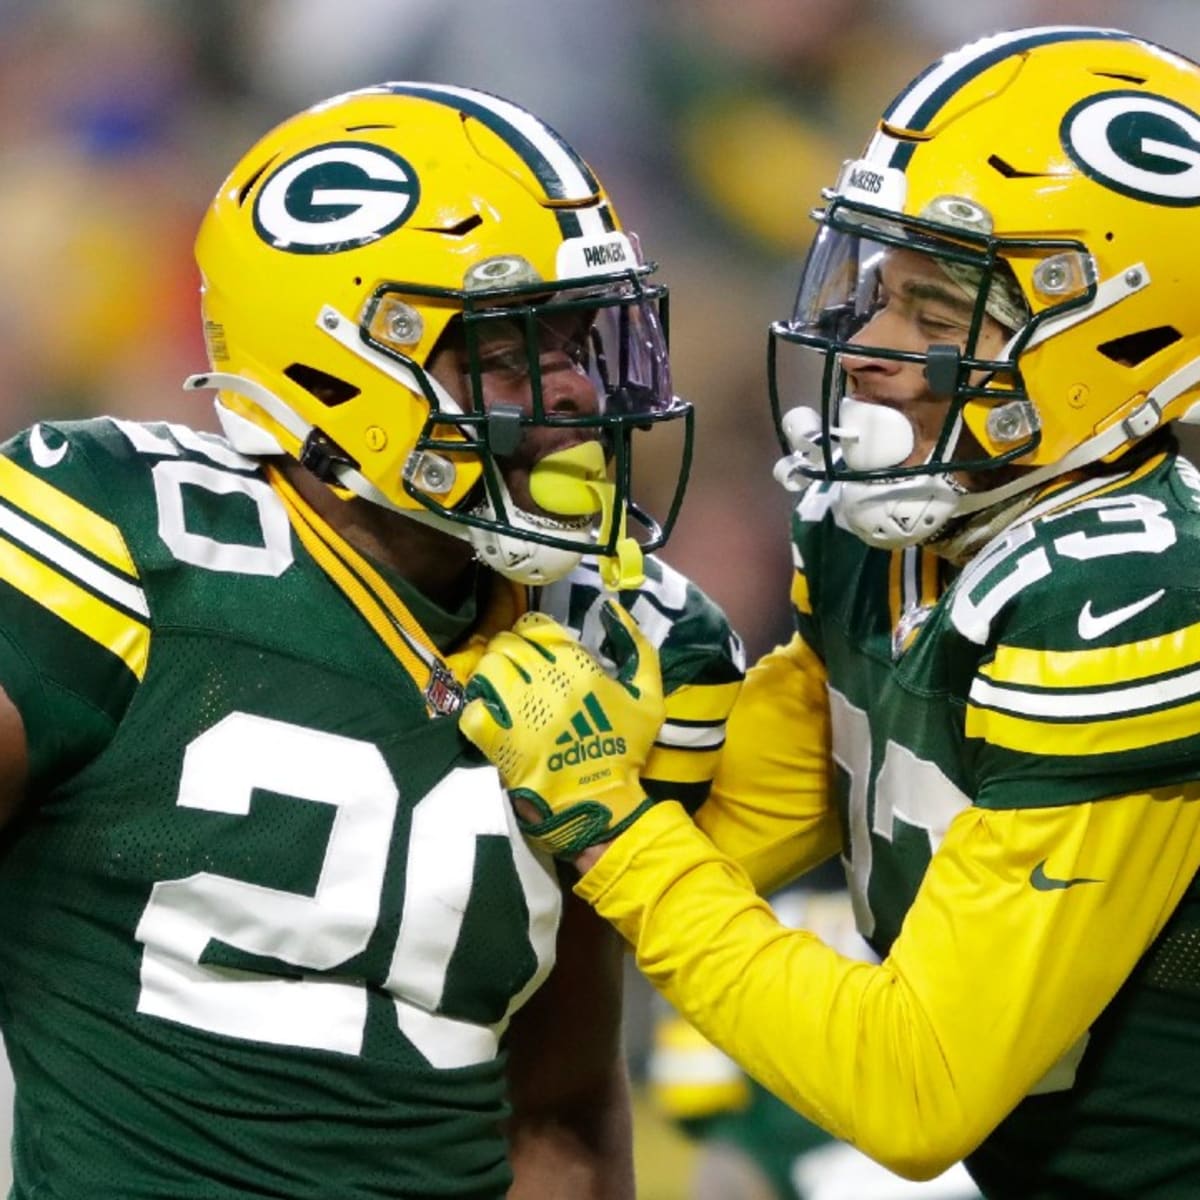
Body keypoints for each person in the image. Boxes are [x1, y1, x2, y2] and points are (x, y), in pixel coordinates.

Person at [459, 26, 1200, 1199]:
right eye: (874, 284)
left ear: (1111, 338)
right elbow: (753, 819)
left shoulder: (1139, 591)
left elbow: (915, 1095)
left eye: (940, 307)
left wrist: (611, 826)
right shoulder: (910, 528)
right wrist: (640, 725)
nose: (867, 343)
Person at [0, 83, 744, 1198]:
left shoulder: (639, 639)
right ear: (336, 364)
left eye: (585, 336)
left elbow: (554, 1106)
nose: (581, 389)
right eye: (511, 352)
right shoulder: (116, 540)